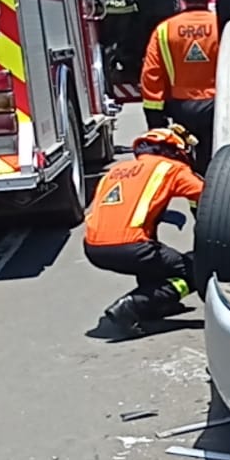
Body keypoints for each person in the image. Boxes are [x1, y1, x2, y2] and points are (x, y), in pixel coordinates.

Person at [83, 127, 204, 334]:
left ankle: (157, 305)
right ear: (174, 150)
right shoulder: (170, 167)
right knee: (194, 270)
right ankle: (133, 305)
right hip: (131, 246)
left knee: (154, 258)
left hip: (93, 247)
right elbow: (208, 194)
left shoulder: (116, 171)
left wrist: (159, 213)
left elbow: (122, 205)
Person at [141, 0, 219, 171]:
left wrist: (155, 119)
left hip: (181, 109)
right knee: (213, 157)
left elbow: (152, 75)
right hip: (217, 106)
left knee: (184, 162)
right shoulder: (222, 25)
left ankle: (194, 195)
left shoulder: (164, 30)